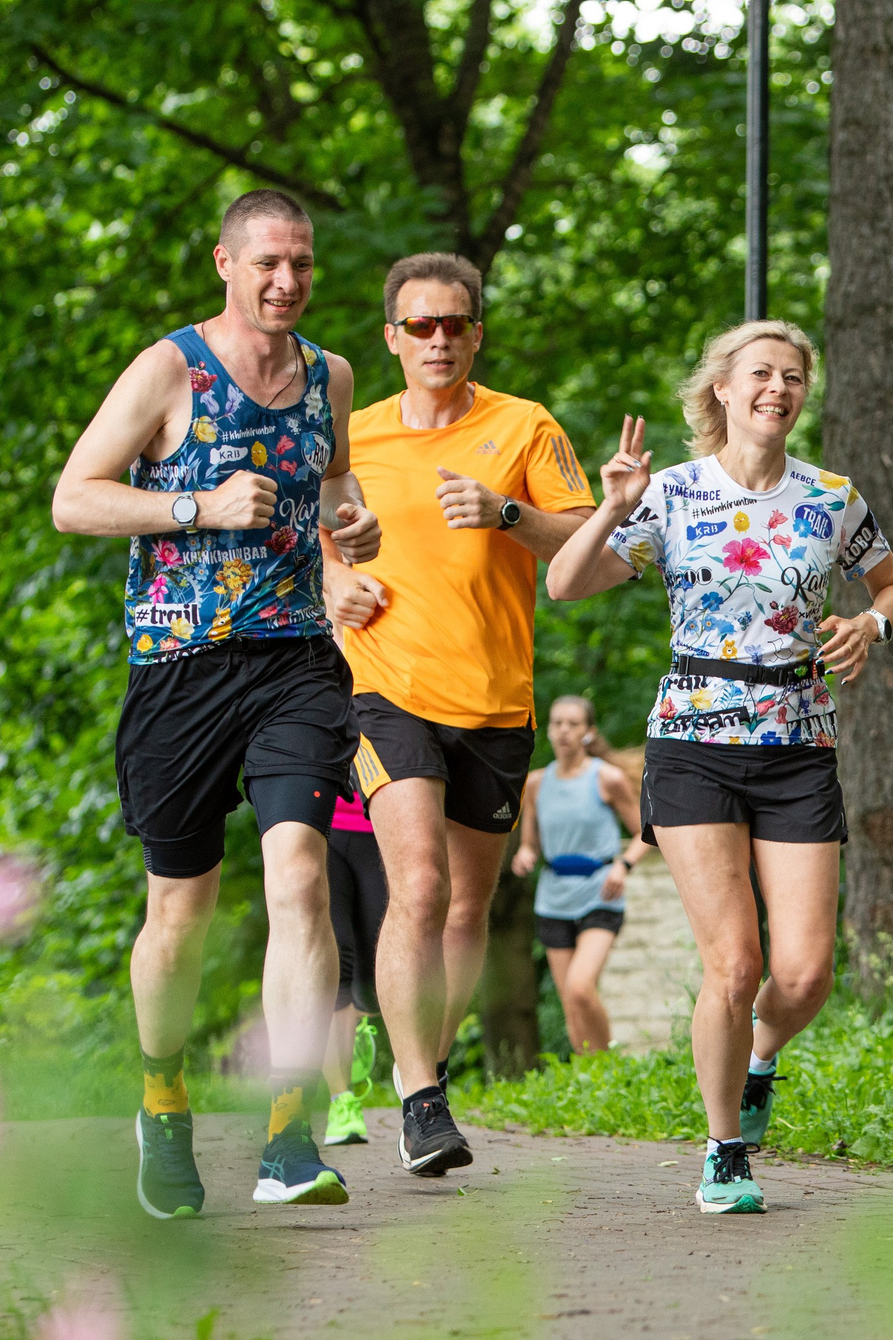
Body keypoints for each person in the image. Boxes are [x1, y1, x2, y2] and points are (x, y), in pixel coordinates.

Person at [52, 189, 380, 1217]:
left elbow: (331, 493)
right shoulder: (168, 369)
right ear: (225, 264)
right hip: (180, 667)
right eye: (268, 263)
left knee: (298, 878)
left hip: (294, 660)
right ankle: (162, 1101)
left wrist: (349, 538)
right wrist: (192, 504)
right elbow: (74, 497)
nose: (287, 282)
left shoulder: (330, 374)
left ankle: (289, 1138)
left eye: (303, 264)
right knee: (179, 914)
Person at [545, 320, 893, 1214]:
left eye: (793, 376)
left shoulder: (831, 497)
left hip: (797, 742)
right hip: (695, 738)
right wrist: (611, 503)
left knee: (808, 972)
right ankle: (723, 1151)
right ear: (721, 387)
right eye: (760, 373)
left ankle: (759, 1059)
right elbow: (563, 583)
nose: (777, 389)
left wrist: (870, 626)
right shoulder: (669, 494)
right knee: (735, 963)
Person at [324, 252, 597, 1180]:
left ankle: (424, 1062)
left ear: (476, 333)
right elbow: (296, 540)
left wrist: (507, 512)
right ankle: (419, 1098)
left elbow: (587, 539)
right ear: (392, 337)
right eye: (420, 326)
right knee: (422, 889)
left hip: (495, 699)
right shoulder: (349, 438)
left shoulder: (523, 424)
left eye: (455, 325)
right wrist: (331, 586)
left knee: (469, 908)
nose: (438, 340)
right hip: (387, 689)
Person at [511, 696, 649, 1055]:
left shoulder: (607, 778)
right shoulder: (537, 783)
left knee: (580, 987)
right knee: (570, 1001)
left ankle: (607, 1062)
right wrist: (525, 855)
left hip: (600, 893)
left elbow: (645, 833)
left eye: (572, 724)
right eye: (556, 723)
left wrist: (623, 865)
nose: (563, 731)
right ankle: (589, 1078)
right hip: (554, 899)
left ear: (588, 732)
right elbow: (531, 843)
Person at [321, 784, 387, 1144]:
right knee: (336, 955)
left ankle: (358, 1027)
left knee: (381, 961)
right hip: (323, 826)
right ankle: (340, 1099)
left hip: (381, 826)